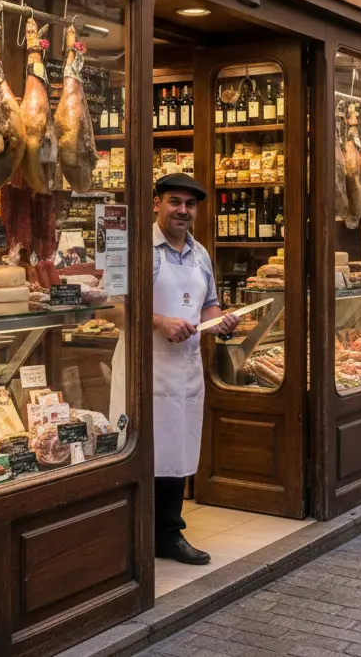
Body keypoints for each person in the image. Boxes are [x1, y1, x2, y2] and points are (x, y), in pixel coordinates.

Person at [151, 173, 240, 565]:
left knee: (179, 448)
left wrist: (218, 321)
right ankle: (142, 533)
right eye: (175, 202)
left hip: (186, 367)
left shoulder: (201, 254)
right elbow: (115, 307)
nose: (183, 211)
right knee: (149, 450)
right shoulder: (142, 249)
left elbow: (210, 303)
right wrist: (161, 322)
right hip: (148, 366)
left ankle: (169, 534)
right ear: (157, 203)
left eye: (190, 205)